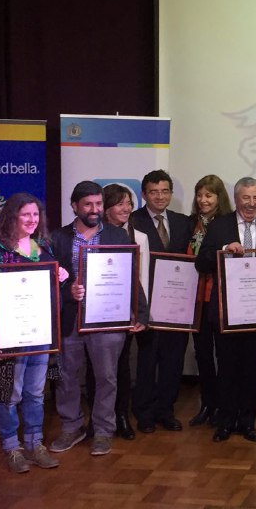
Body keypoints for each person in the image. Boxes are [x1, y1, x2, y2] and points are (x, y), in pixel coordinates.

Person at [49, 181, 148, 457]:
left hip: (108, 318)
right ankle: (72, 427)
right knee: (66, 377)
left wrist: (141, 312)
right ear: (74, 206)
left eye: (99, 204)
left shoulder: (118, 236)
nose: (95, 209)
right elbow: (48, 280)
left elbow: (132, 275)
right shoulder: (57, 238)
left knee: (107, 377)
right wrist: (68, 292)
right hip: (70, 318)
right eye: (88, 204)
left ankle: (104, 430)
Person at [0, 193, 67, 473]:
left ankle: (35, 444)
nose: (31, 220)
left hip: (40, 334)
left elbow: (49, 289)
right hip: (10, 336)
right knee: (10, 394)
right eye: (25, 214)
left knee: (36, 393)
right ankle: (12, 448)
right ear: (12, 216)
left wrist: (60, 276)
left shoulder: (44, 248)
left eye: (35, 214)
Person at [195, 177, 256, 443]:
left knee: (251, 368)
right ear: (236, 199)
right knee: (227, 368)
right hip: (227, 312)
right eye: (246, 198)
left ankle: (247, 422)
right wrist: (224, 250)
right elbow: (201, 263)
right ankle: (226, 422)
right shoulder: (220, 225)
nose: (251, 203)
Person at [84, 184, 151, 441]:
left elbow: (138, 278)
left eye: (129, 203)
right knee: (96, 368)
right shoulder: (93, 234)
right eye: (120, 204)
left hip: (125, 310)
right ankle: (97, 418)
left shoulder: (137, 236)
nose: (126, 208)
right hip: (95, 310)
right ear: (106, 208)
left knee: (121, 366)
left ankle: (121, 415)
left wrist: (139, 312)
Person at [130, 169, 192, 432]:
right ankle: (144, 412)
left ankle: (166, 410)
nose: (160, 197)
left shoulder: (183, 222)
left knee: (173, 361)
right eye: (154, 192)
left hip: (177, 306)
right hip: (147, 305)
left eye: (165, 191)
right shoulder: (132, 221)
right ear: (144, 194)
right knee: (147, 360)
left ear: (171, 194)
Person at [187, 174, 233, 427]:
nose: (203, 200)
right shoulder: (190, 224)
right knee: (202, 354)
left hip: (220, 299)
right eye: (199, 195)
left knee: (224, 355)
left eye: (209, 195)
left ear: (219, 197)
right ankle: (207, 403)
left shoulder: (229, 225)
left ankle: (224, 406)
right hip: (194, 300)